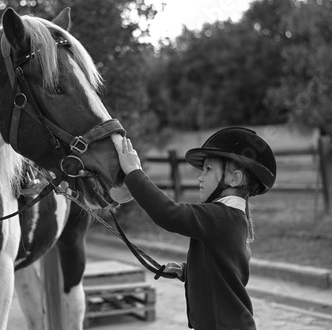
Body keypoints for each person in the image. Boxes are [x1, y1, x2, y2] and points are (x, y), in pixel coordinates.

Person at [113, 127, 277, 330]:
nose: (200, 177)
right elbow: (224, 269)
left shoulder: (221, 216)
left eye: (208, 170)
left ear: (234, 179)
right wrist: (188, 271)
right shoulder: (232, 218)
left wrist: (134, 173)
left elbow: (168, 213)